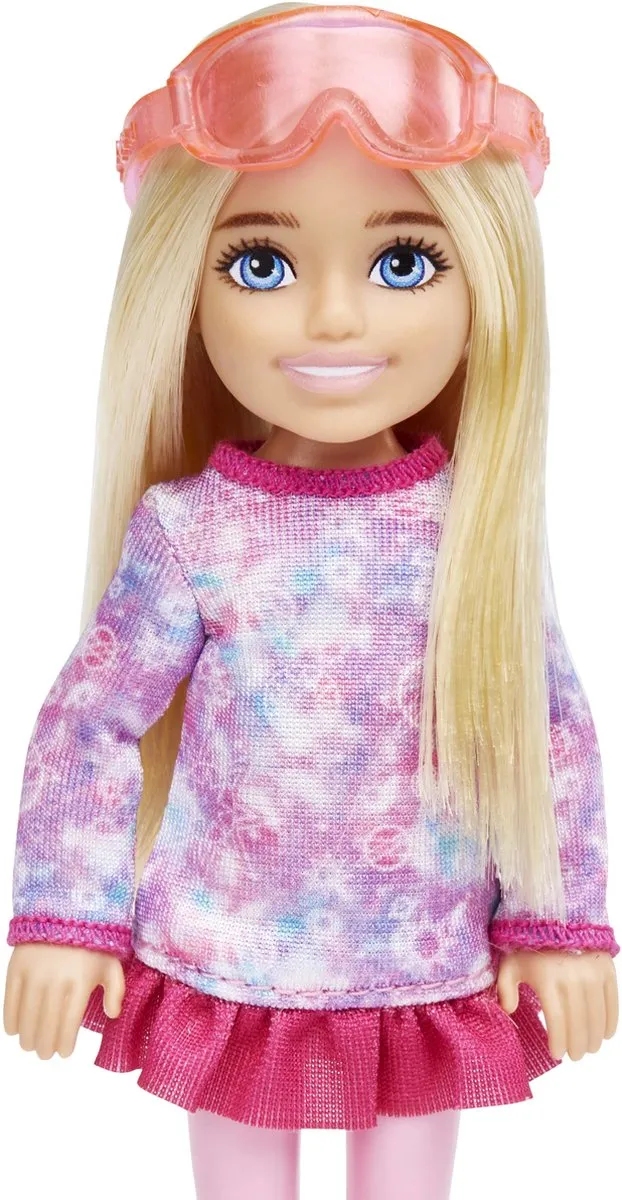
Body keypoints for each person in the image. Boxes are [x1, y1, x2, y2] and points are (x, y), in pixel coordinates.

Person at [3, 6, 619, 1199]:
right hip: (230, 955)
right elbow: (92, 719)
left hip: (423, 959)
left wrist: (557, 923)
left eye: (403, 262)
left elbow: (545, 728)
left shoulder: (467, 531)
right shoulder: (194, 531)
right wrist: (64, 915)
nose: (334, 318)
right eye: (261, 264)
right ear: (184, 293)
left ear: (485, 284)